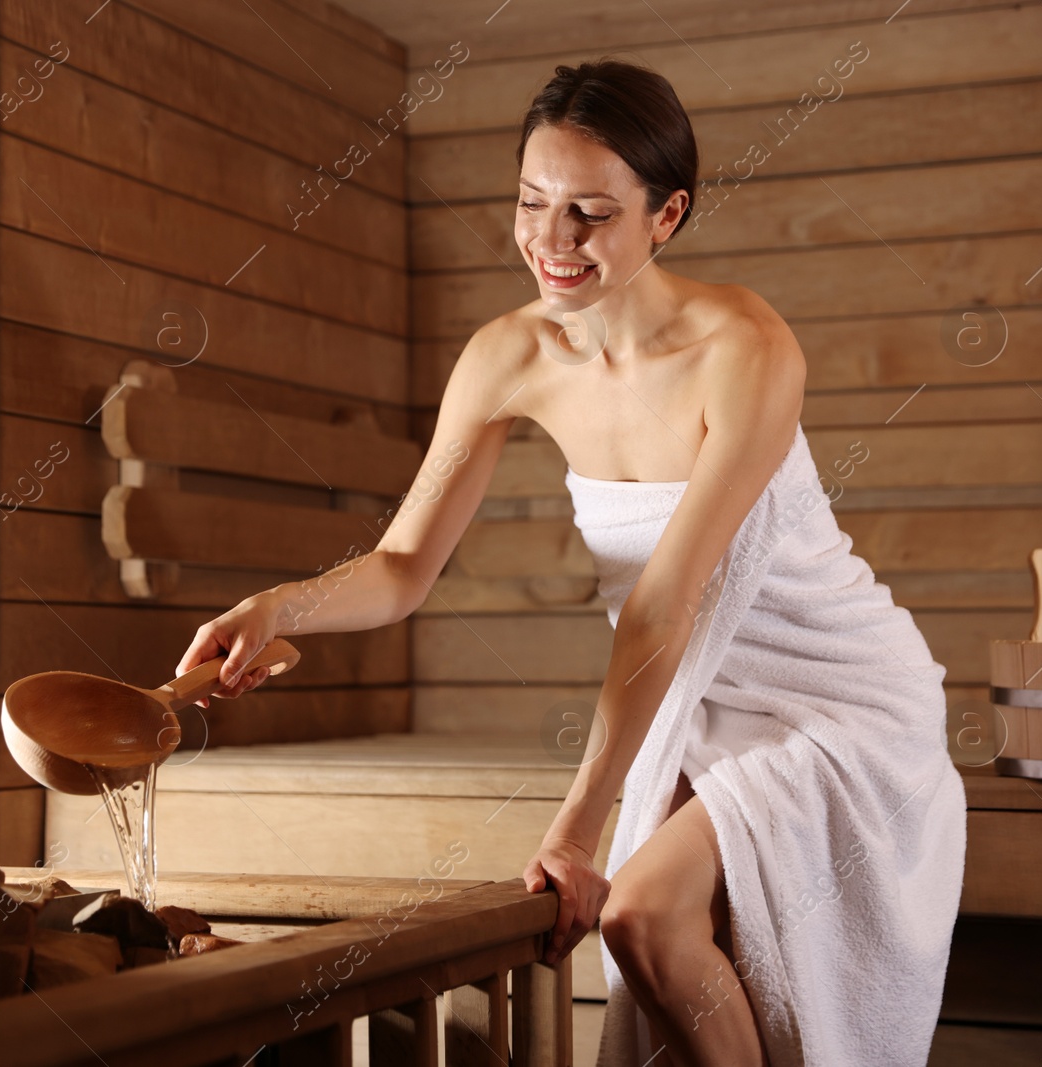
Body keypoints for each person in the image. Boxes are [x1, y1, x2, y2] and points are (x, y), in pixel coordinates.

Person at [176, 60, 965, 1067]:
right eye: (531, 203)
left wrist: (580, 824)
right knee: (651, 928)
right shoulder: (508, 357)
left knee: (637, 917)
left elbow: (663, 605)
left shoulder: (746, 346)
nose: (552, 242)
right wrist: (280, 607)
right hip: (694, 707)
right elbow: (403, 562)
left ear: (664, 215)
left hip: (839, 701)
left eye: (589, 212)